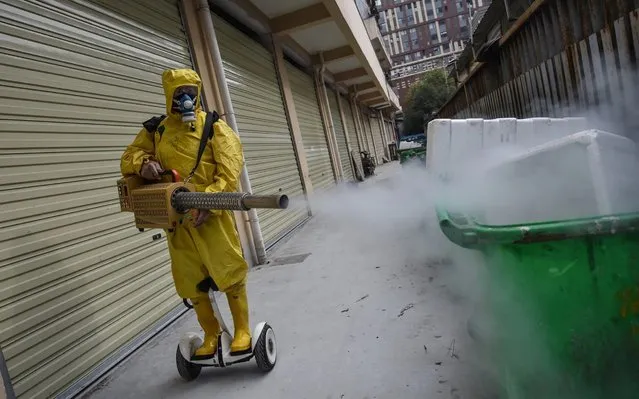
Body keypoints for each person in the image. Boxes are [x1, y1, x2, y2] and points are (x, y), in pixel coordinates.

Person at [120, 68, 251, 359]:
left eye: (191, 92)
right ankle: (211, 334)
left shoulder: (213, 126)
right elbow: (128, 155)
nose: (187, 98)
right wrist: (142, 164)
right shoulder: (157, 130)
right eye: (180, 93)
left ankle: (242, 330)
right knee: (191, 280)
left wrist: (209, 202)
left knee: (229, 271)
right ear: (169, 95)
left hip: (211, 216)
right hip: (177, 221)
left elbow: (230, 169)